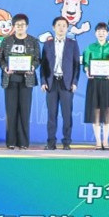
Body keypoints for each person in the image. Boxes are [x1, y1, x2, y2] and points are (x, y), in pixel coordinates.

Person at [0, 13, 40, 150]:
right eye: (17, 25)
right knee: (11, 112)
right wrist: (5, 68)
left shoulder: (33, 41)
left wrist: (32, 67)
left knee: (24, 112)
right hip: (10, 80)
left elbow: (37, 59)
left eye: (22, 25)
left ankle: (23, 142)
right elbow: (0, 58)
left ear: (27, 26)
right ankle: (11, 141)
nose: (20, 27)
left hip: (26, 81)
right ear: (13, 26)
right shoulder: (6, 41)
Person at [40, 16, 81, 150]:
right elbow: (43, 65)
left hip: (66, 83)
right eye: (59, 25)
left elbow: (76, 65)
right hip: (51, 83)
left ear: (67, 28)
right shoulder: (47, 44)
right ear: (54, 27)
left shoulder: (72, 44)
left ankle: (66, 142)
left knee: (67, 115)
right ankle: (51, 142)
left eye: (64, 25)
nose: (61, 28)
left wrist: (74, 82)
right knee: (51, 115)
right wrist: (43, 81)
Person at [82, 23, 109, 150]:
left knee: (108, 111)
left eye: (103, 31)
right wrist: (87, 70)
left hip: (108, 82)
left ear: (108, 33)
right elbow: (86, 63)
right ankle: (98, 141)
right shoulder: (90, 48)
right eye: (98, 31)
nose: (101, 33)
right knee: (95, 111)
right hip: (94, 83)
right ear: (95, 33)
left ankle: (106, 141)